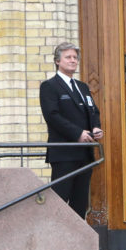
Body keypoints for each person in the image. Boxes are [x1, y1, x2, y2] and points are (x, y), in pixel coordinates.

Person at [39, 42, 103, 219]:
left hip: (84, 154)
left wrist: (95, 127)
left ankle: (78, 246)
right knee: (58, 202)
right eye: (68, 57)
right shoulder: (49, 86)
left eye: (75, 57)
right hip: (64, 153)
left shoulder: (82, 87)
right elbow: (52, 116)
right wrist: (78, 133)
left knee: (80, 203)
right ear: (57, 61)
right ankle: (55, 242)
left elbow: (93, 111)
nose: (73, 60)